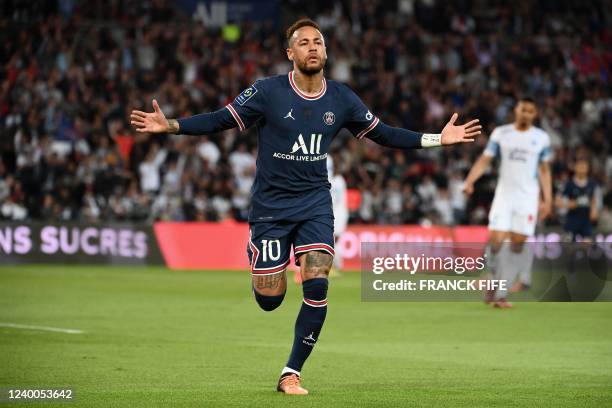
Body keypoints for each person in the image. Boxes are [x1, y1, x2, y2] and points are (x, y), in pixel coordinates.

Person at [130, 18, 481, 395]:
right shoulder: (267, 92)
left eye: (318, 41)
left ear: (326, 51)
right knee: (270, 298)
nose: (312, 47)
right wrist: (173, 126)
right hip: (270, 206)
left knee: (317, 282)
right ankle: (265, 272)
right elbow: (220, 120)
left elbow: (385, 134)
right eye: (303, 43)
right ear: (290, 54)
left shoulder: (342, 98)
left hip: (315, 202)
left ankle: (291, 372)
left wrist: (437, 139)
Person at [463, 97, 552, 308]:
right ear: (516, 110)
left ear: (535, 114)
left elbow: (544, 169)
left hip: (528, 198)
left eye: (530, 111)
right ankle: (494, 282)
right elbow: (485, 159)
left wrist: (548, 199)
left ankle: (500, 293)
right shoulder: (501, 133)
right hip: (504, 195)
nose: (525, 114)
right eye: (523, 109)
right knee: (496, 241)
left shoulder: (541, 138)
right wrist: (470, 180)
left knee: (517, 244)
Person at [556, 158, 599, 242]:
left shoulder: (593, 185)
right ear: (575, 167)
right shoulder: (568, 184)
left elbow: (596, 201)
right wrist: (568, 205)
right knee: (568, 249)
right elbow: (557, 202)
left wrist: (594, 210)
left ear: (588, 168)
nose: (582, 167)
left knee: (587, 249)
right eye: (580, 165)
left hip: (586, 222)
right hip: (571, 221)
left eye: (584, 165)